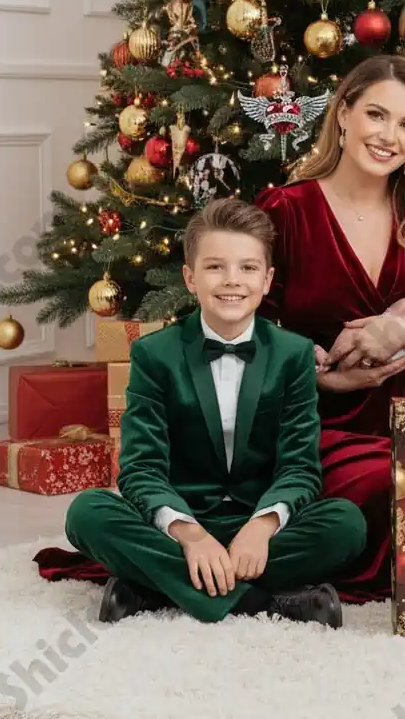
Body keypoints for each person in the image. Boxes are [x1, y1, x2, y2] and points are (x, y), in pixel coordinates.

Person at [255, 55, 405, 600]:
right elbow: (248, 330)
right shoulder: (286, 209)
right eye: (377, 115)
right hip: (314, 424)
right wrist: (316, 376)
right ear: (343, 114)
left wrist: (403, 331)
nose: (391, 136)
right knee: (389, 493)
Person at [64, 198, 367, 625]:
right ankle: (267, 602)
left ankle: (156, 590)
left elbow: (299, 466)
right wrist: (190, 535)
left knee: (346, 524)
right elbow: (141, 468)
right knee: (87, 513)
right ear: (190, 278)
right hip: (180, 520)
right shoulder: (154, 354)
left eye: (247, 268)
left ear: (267, 280)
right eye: (214, 267)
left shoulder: (293, 353)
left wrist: (261, 528)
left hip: (257, 525)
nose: (232, 281)